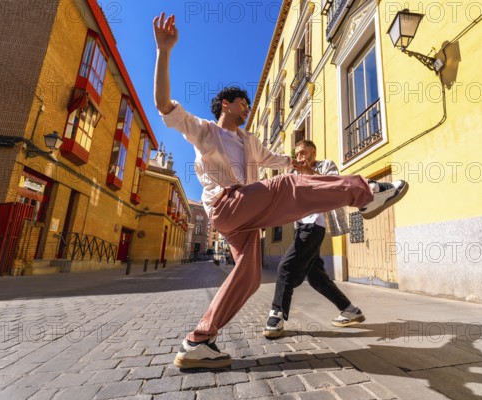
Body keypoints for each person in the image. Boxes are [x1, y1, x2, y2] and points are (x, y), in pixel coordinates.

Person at [153, 13, 409, 369]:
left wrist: (300, 163)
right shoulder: (205, 130)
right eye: (243, 103)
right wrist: (163, 51)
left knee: (251, 274)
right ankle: (366, 194)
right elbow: (164, 104)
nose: (247, 107)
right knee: (285, 187)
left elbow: (281, 160)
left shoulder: (249, 140)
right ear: (227, 105)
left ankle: (199, 340)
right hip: (227, 207)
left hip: (245, 219)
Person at [263, 140, 366, 339]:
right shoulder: (293, 175)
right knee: (317, 278)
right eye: (298, 154)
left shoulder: (326, 165)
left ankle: (276, 315)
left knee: (285, 267)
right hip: (300, 226)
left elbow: (335, 185)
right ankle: (349, 309)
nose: (300, 157)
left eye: (303, 153)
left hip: (315, 225)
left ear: (313, 152)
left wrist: (309, 172)